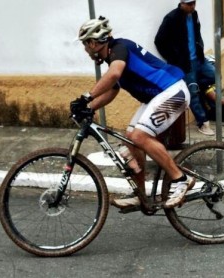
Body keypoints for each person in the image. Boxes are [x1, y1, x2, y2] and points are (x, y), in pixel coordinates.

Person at [71, 16, 195, 209]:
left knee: (139, 135)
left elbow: (113, 75)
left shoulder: (119, 48)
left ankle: (181, 179)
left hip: (173, 92)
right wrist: (88, 108)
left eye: (86, 45)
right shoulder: (114, 57)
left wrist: (86, 97)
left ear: (93, 43)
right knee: (131, 139)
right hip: (160, 97)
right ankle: (140, 194)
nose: (86, 50)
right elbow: (112, 89)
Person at [155, 0, 215, 136]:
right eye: (189, 4)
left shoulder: (194, 15)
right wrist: (175, 58)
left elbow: (196, 35)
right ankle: (203, 123)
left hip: (199, 59)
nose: (192, 6)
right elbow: (159, 41)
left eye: (194, 3)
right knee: (192, 93)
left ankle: (196, 87)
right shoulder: (171, 18)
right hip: (185, 63)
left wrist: (200, 49)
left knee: (214, 75)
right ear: (181, 3)